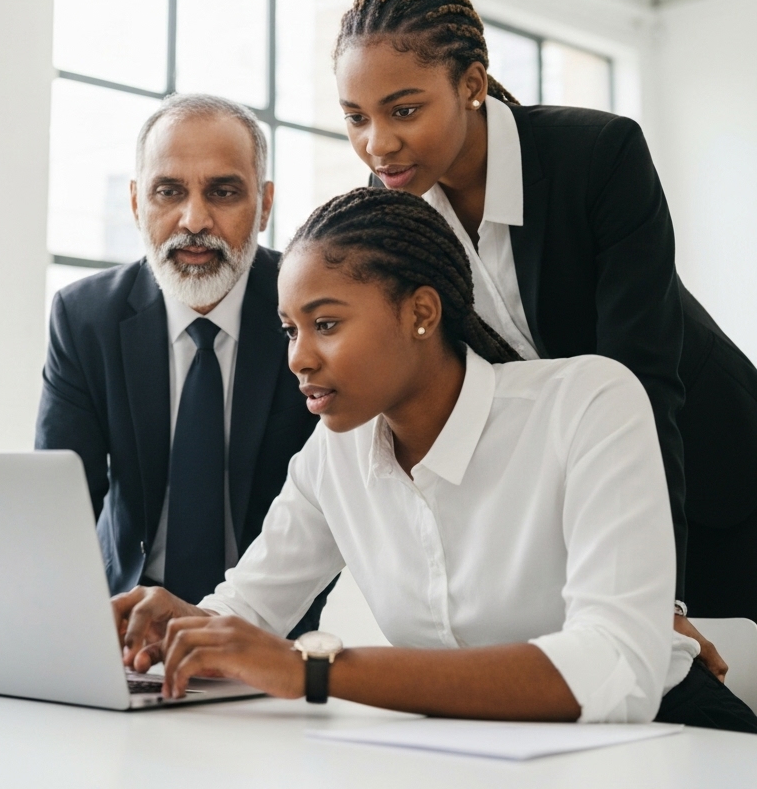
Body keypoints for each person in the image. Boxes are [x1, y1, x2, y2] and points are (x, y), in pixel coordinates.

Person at [114, 188, 757, 732]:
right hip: (473, 749)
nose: (299, 358)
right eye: (290, 330)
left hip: (669, 735)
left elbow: (617, 671)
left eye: (327, 324)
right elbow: (245, 616)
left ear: (422, 312)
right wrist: (175, 627)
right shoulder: (332, 456)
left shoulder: (587, 402)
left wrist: (314, 670)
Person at [331, 0, 757, 638]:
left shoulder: (597, 156)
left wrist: (658, 599)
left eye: (404, 110)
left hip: (712, 471)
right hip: (579, 500)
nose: (377, 144)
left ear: (471, 84)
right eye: (356, 117)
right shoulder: (393, 207)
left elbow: (642, 385)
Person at [36, 93, 330, 631]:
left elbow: (335, 496)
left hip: (267, 626)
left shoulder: (314, 309)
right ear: (135, 203)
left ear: (264, 205)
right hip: (123, 622)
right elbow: (61, 503)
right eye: (168, 191)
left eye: (223, 192)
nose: (194, 220)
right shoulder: (84, 318)